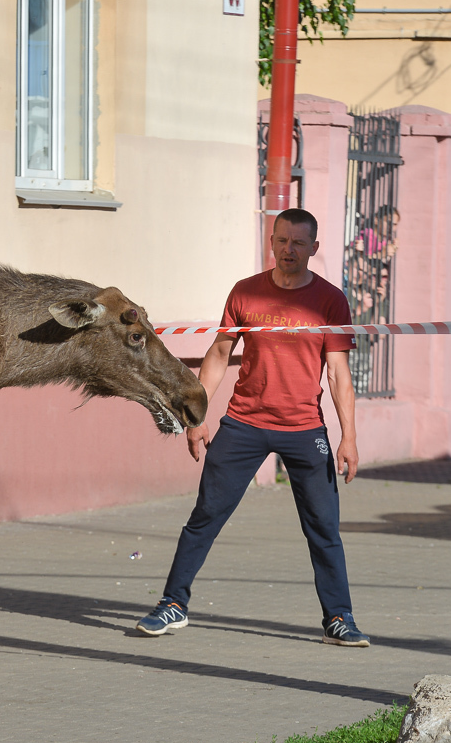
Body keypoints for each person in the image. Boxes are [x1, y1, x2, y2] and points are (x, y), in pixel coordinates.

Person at [135, 208, 370, 647]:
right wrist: (195, 417)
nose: (289, 250)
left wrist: (349, 438)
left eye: (299, 243)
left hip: (305, 429)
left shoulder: (331, 300)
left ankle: (339, 618)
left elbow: (338, 374)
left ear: (314, 249)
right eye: (282, 241)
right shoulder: (246, 293)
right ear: (272, 242)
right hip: (244, 423)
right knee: (204, 516)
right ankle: (173, 603)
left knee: (323, 527)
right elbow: (219, 355)